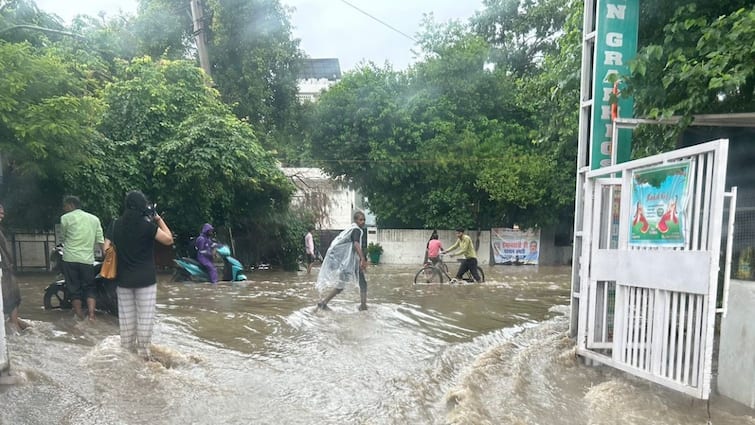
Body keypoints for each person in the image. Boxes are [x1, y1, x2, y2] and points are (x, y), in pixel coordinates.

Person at [106, 191, 173, 360]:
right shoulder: (147, 226)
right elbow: (168, 240)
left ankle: (128, 359)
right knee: (145, 319)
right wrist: (157, 218)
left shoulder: (115, 225)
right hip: (146, 281)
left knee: (127, 323)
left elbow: (106, 249)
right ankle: (143, 355)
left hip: (123, 281)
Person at [60, 195, 104, 321]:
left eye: (65, 205)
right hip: (87, 260)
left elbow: (63, 238)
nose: (64, 208)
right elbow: (100, 240)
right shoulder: (94, 219)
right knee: (90, 287)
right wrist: (107, 257)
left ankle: (79, 315)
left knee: (74, 288)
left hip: (70, 259)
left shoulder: (65, 218)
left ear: (71, 205)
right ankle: (91, 315)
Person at [315, 211, 368, 311]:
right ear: (356, 220)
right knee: (362, 283)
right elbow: (356, 244)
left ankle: (323, 303)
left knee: (341, 286)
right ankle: (363, 306)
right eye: (361, 220)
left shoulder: (351, 229)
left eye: (364, 220)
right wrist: (362, 258)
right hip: (350, 264)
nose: (363, 222)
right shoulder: (356, 230)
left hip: (347, 263)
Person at [0, 204, 29, 332]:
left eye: (2, 213)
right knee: (11, 296)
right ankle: (13, 322)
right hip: (4, 269)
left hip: (6, 268)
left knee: (13, 296)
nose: (2, 215)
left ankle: (14, 320)